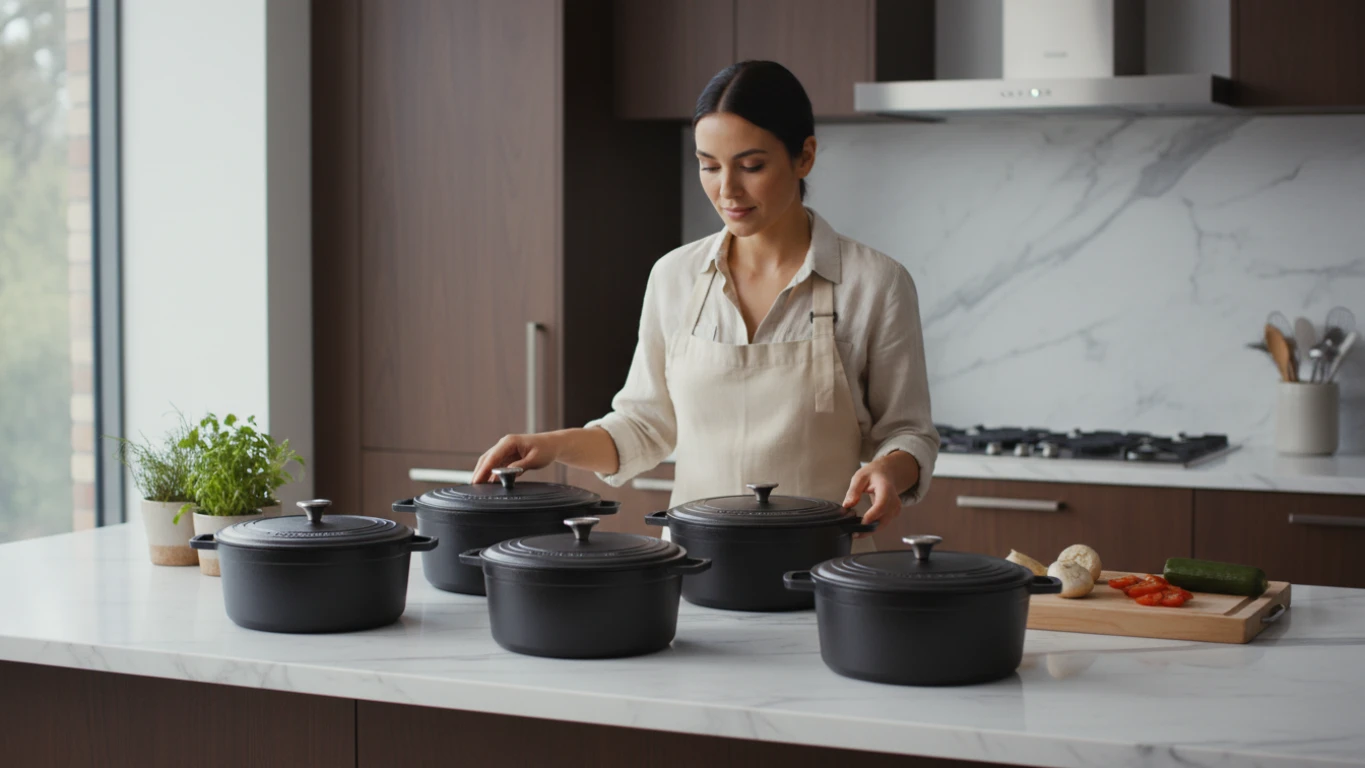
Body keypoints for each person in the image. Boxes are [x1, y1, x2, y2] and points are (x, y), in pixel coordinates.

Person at [473, 61, 938, 546]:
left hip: (820, 567)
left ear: (804, 157)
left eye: (751, 166)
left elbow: (909, 433)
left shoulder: (876, 284)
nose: (727, 190)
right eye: (709, 166)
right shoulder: (673, 277)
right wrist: (547, 446)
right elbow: (643, 427)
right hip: (694, 567)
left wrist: (890, 469)